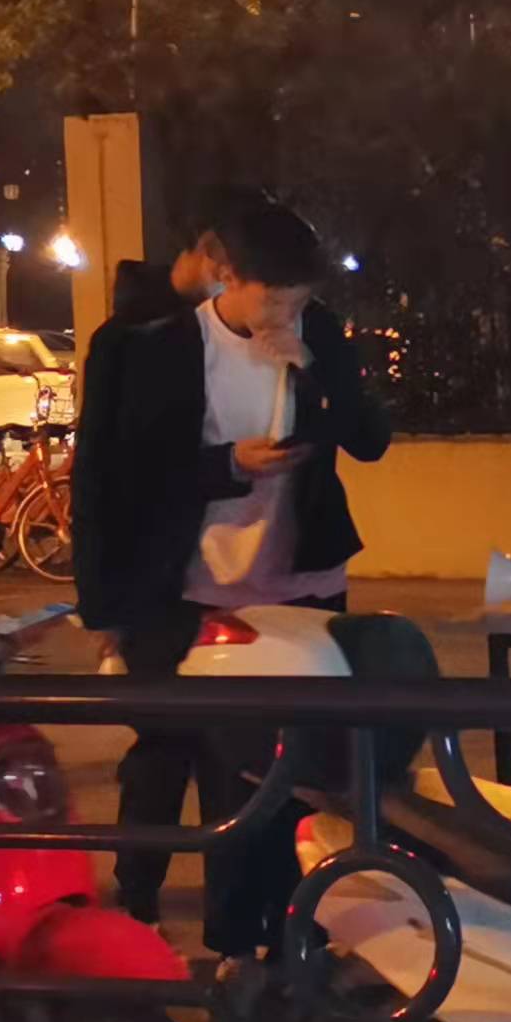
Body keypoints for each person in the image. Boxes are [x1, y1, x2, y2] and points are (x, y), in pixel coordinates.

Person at [74, 199, 391, 960]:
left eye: (300, 301)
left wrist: (312, 366)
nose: (287, 315)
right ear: (229, 278)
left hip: (297, 583)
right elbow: (124, 475)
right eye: (273, 300)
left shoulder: (317, 335)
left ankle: (258, 940)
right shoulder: (161, 347)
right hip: (184, 586)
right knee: (168, 754)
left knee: (275, 773)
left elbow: (370, 438)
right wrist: (227, 466)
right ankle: (144, 908)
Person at [73, 185, 280, 929]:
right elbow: (106, 475)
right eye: (233, 262)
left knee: (215, 758)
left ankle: (208, 927)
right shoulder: (136, 340)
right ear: (212, 253)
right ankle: (138, 908)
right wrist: (104, 603)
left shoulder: (224, 331)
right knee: (163, 753)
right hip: (158, 580)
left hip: (210, 577)